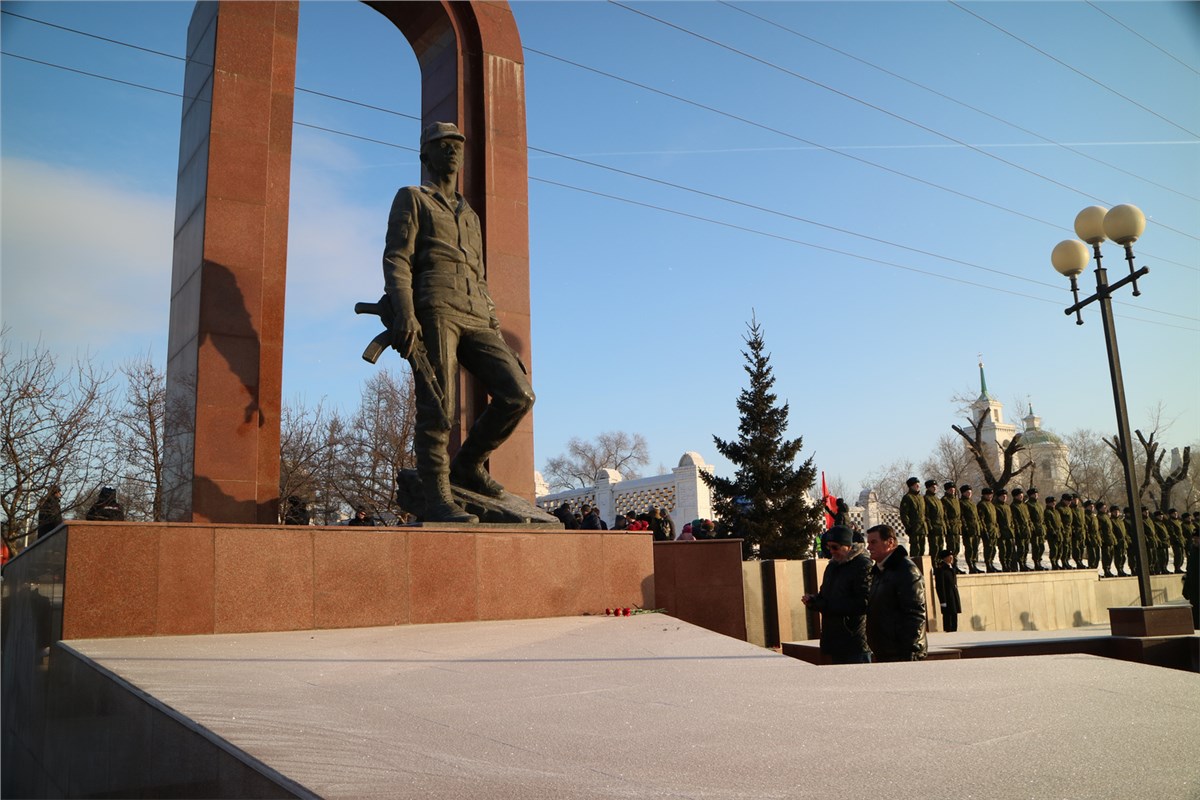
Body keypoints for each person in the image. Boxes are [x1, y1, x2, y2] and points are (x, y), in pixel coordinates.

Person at [382, 121, 535, 523]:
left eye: (457, 145)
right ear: (425, 155)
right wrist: (405, 312)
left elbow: (479, 274)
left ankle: (467, 465)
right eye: (442, 144)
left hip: (476, 314)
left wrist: (495, 327)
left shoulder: (470, 215)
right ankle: (437, 498)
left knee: (519, 394)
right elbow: (397, 258)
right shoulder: (413, 198)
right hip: (436, 307)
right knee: (439, 406)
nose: (452, 151)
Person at [801, 525, 872, 664]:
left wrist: (825, 605)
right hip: (834, 638)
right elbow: (825, 595)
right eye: (829, 547)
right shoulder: (832, 566)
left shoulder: (863, 565)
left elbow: (864, 603)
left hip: (854, 640)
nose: (831, 551)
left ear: (848, 546)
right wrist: (813, 601)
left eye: (835, 547)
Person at [865, 524, 928, 662]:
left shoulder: (906, 570)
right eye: (868, 543)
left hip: (902, 655)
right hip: (885, 652)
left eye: (873, 542)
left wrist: (910, 652)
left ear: (890, 542)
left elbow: (915, 614)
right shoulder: (879, 571)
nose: (869, 547)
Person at [933, 549, 962, 633]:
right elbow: (940, 586)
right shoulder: (941, 570)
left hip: (953, 596)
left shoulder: (951, 568)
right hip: (947, 598)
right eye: (949, 557)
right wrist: (943, 601)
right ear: (944, 558)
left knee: (954, 617)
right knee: (948, 619)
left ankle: (954, 632)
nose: (951, 558)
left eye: (952, 556)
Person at [899, 477, 927, 557]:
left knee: (922, 549)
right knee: (915, 549)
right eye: (915, 485)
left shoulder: (921, 498)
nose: (917, 486)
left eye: (918, 484)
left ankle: (921, 568)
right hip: (914, 528)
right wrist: (908, 526)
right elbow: (904, 514)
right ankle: (914, 567)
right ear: (911, 486)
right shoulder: (907, 497)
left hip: (922, 528)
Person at [959, 484, 982, 574]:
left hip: (975, 529)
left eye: (970, 492)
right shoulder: (961, 503)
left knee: (975, 548)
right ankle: (970, 565)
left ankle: (974, 564)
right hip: (968, 530)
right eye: (967, 492)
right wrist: (966, 528)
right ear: (963, 493)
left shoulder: (972, 503)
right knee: (969, 548)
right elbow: (962, 517)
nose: (969, 494)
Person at [941, 482, 963, 573]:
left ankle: (955, 565)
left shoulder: (956, 500)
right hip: (950, 527)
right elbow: (944, 515)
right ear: (946, 490)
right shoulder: (945, 500)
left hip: (957, 527)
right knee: (951, 547)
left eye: (953, 489)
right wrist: (948, 526)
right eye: (950, 489)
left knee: (957, 547)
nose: (952, 490)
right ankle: (951, 565)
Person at [977, 487, 998, 572]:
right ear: (984, 495)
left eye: (991, 495)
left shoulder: (991, 505)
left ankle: (991, 563)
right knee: (988, 548)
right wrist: (984, 530)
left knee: (993, 549)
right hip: (987, 529)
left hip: (993, 530)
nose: (990, 496)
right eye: (988, 495)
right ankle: (988, 564)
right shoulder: (982, 504)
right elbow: (981, 519)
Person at [1182, 524, 1199, 629]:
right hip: (1195, 593)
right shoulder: (1193, 552)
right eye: (1194, 538)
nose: (1195, 540)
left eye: (1197, 538)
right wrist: (1186, 588)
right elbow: (1190, 572)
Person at [923, 479, 945, 556]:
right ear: (928, 488)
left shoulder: (937, 499)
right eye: (932, 487)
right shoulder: (926, 499)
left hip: (940, 527)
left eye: (936, 487)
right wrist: (930, 527)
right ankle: (934, 565)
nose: (935, 488)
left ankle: (939, 565)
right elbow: (926, 515)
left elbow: (942, 515)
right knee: (934, 548)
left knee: (941, 547)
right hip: (933, 527)